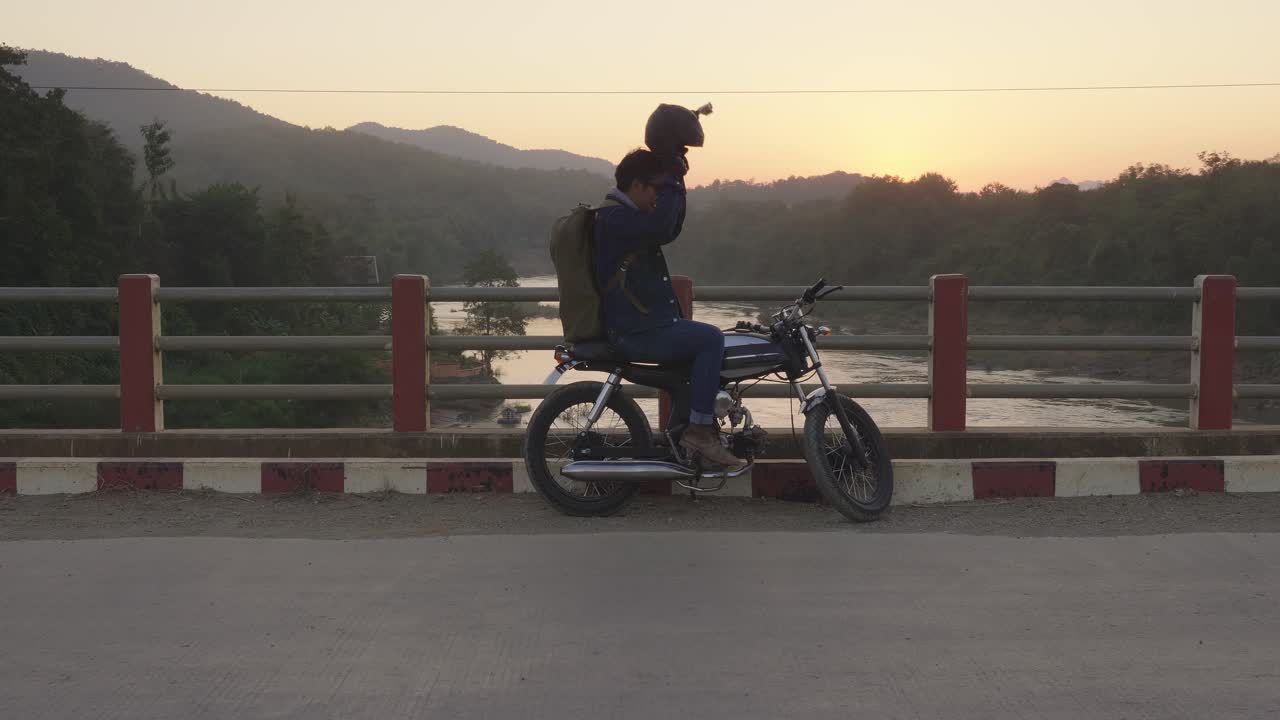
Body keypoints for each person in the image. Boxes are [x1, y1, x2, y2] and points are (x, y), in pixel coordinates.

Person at [593, 148, 742, 468]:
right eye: (655, 189)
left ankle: (684, 435)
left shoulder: (624, 218)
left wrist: (678, 181)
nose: (658, 198)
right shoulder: (615, 219)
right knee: (710, 339)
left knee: (702, 348)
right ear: (636, 184)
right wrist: (673, 178)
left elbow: (670, 228)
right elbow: (661, 227)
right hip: (636, 330)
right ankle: (699, 432)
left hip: (645, 324)